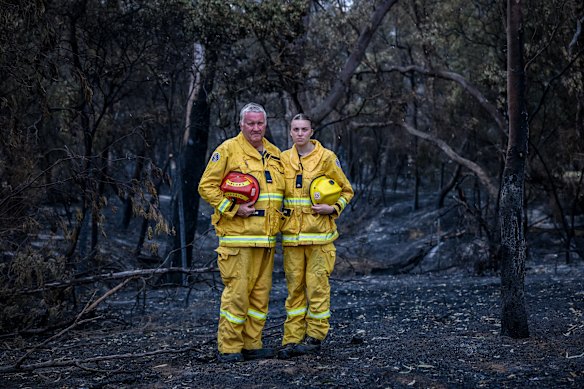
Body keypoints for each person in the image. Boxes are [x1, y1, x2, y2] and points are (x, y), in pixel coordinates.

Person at [198, 102, 285, 363]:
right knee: (237, 295)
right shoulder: (228, 150)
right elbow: (206, 186)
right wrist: (233, 208)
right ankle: (229, 347)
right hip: (238, 240)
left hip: (267, 240)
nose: (256, 128)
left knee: (260, 297)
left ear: (265, 124)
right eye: (251, 123)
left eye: (260, 123)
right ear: (241, 124)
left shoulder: (274, 153)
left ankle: (252, 344)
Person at [277, 113, 354, 359]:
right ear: (290, 132)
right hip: (292, 239)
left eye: (304, 129)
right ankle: (292, 338)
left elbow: (346, 190)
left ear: (312, 132)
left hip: (320, 238)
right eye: (295, 129)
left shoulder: (327, 158)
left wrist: (333, 208)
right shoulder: (282, 160)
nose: (300, 133)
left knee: (317, 287)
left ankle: (315, 336)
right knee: (294, 290)